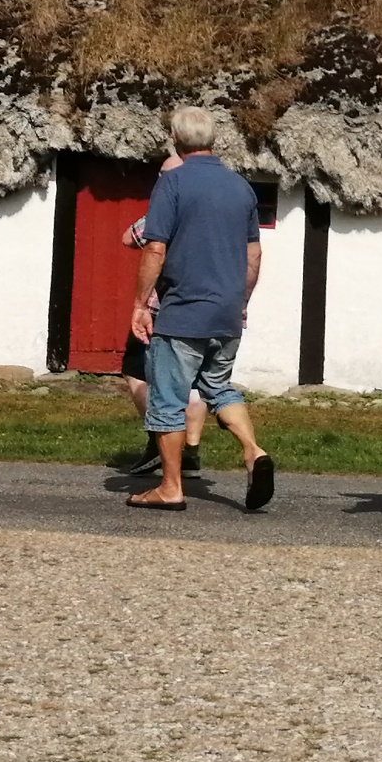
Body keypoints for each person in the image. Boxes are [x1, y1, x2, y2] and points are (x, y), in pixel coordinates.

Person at [126, 107, 273, 513]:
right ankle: (253, 450)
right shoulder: (241, 187)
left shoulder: (172, 183)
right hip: (226, 313)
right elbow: (254, 255)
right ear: (214, 139)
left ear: (175, 138)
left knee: (167, 399)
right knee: (218, 387)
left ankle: (170, 487)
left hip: (182, 311)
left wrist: (140, 304)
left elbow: (155, 247)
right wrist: (240, 303)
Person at [121, 154, 208, 474]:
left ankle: (158, 442)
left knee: (138, 372)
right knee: (195, 381)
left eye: (162, 175)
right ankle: (191, 451)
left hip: (163, 307)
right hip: (205, 307)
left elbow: (129, 238)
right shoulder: (210, 210)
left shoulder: (167, 207)